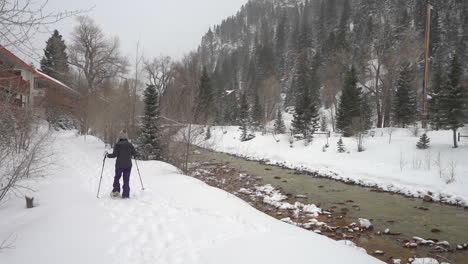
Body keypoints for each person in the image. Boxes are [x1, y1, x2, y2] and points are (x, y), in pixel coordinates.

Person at [106, 130, 137, 199]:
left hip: (119, 165)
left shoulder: (117, 145)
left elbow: (114, 155)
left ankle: (116, 191)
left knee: (117, 177)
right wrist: (134, 155)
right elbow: (135, 154)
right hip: (128, 165)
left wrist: (107, 155)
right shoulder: (130, 145)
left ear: (120, 136)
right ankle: (126, 194)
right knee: (126, 179)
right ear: (126, 137)